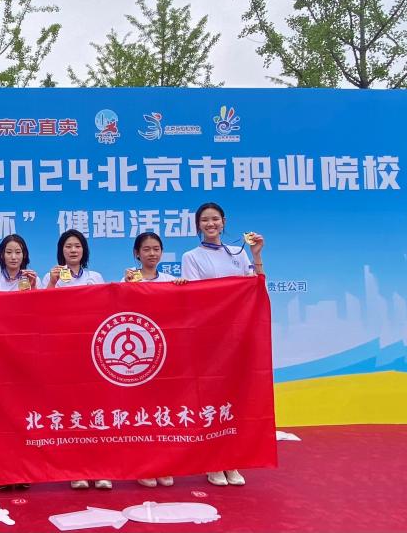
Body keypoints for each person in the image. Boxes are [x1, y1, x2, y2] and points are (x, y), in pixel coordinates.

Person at [180, 202, 265, 487]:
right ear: (197, 225)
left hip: (236, 335)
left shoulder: (238, 253)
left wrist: (256, 254)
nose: (211, 224)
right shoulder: (191, 257)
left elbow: (254, 287)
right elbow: (196, 297)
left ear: (224, 222)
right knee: (210, 399)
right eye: (205, 220)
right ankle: (213, 462)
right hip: (208, 336)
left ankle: (232, 459)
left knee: (235, 397)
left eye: (215, 219)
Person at [43, 229, 109, 490]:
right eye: (68, 246)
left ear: (84, 250)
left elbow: (106, 309)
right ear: (61, 251)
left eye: (77, 246)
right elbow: (42, 309)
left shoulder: (96, 277)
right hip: (65, 351)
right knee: (72, 411)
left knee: (97, 411)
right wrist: (52, 284)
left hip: (93, 352)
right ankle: (76, 469)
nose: (73, 250)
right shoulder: (52, 276)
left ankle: (101, 469)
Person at [121, 231, 187, 488]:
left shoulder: (171, 280)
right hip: (137, 358)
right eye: (146, 249)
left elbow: (184, 312)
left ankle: (164, 464)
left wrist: (183, 289)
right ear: (136, 254)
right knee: (141, 413)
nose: (152, 253)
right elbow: (118, 309)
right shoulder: (128, 278)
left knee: (163, 412)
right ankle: (144, 465)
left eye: (156, 249)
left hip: (165, 355)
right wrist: (127, 287)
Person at [0, 234, 40, 491]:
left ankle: (23, 470)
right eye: (9, 252)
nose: (14, 257)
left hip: (22, 355)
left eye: (18, 252)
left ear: (24, 255)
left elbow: (39, 313)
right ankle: (1, 472)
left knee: (22, 413)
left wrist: (35, 289)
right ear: (1, 255)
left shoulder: (32, 279)